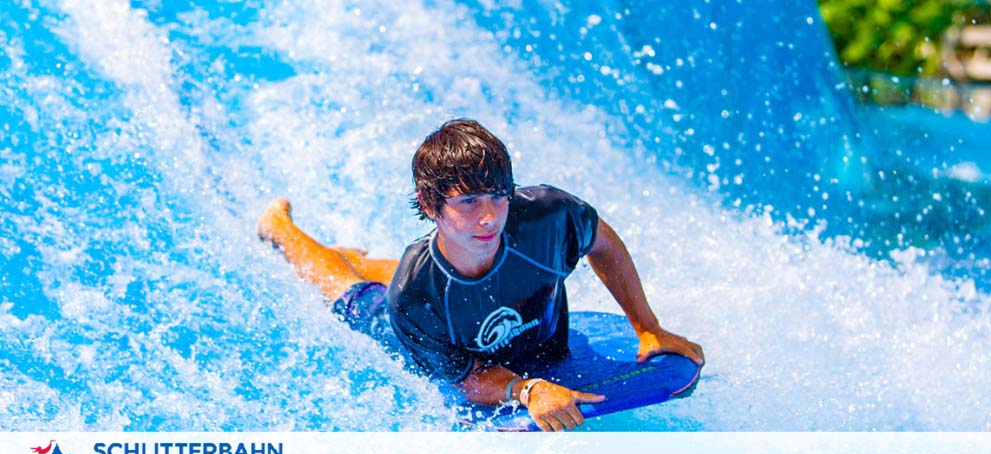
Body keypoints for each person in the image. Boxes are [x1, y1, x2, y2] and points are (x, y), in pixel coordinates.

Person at [257, 119, 704, 431]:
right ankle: (281, 229)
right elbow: (467, 378)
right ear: (430, 205)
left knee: (461, 262)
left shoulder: (547, 217)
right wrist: (525, 390)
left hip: (455, 278)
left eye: (497, 196)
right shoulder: (414, 298)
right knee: (349, 292)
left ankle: (352, 252)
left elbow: (602, 241)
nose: (490, 217)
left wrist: (647, 327)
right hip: (425, 330)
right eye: (468, 202)